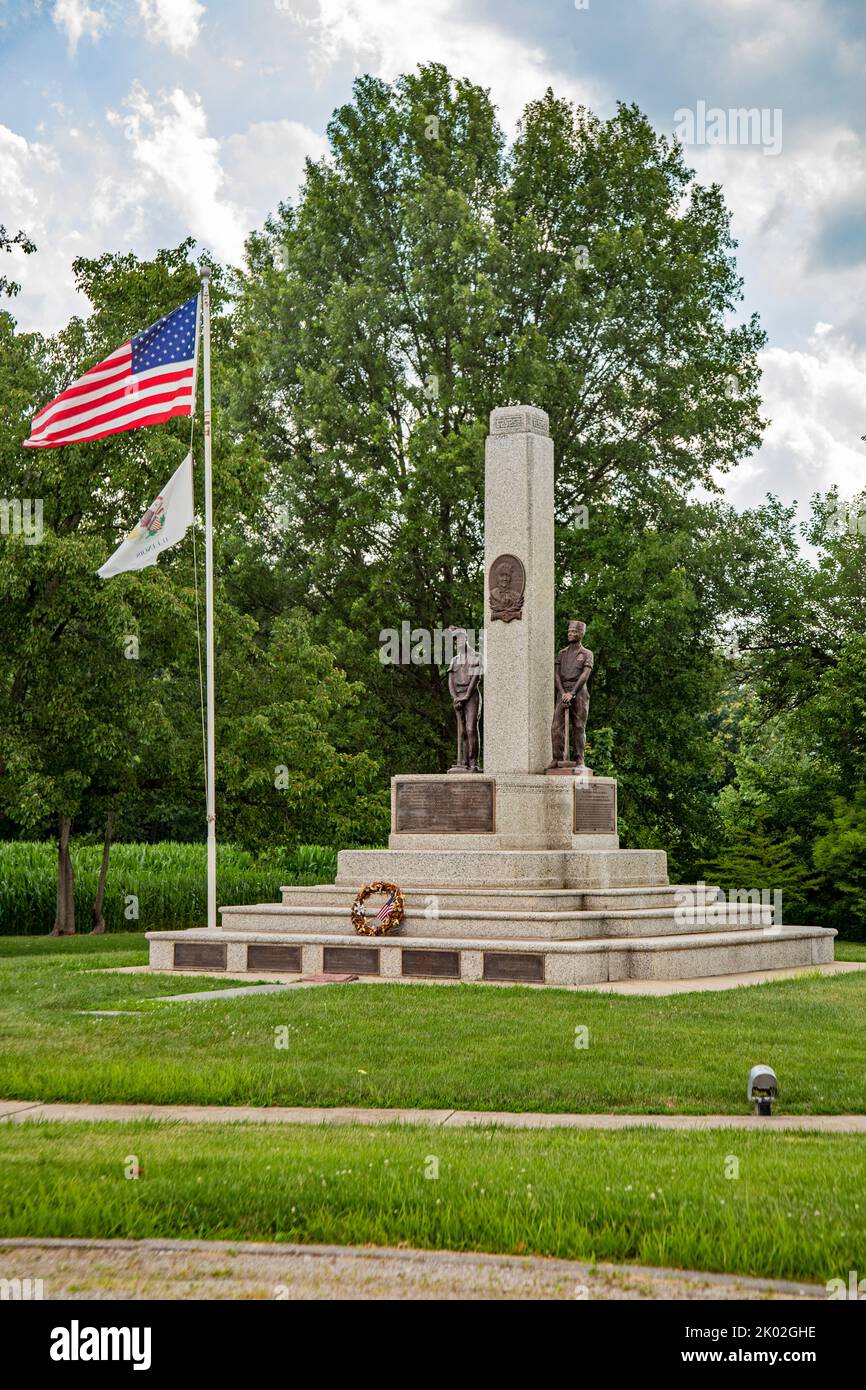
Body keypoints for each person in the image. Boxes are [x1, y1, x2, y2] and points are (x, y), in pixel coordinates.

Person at [549, 619, 593, 767]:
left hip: (579, 691)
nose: (571, 634)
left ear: (581, 634)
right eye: (569, 631)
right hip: (563, 691)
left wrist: (572, 693)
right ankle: (557, 758)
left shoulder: (587, 654)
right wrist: (562, 693)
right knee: (556, 726)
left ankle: (579, 758)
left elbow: (585, 675)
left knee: (579, 726)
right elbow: (556, 675)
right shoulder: (562, 654)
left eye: (574, 632)